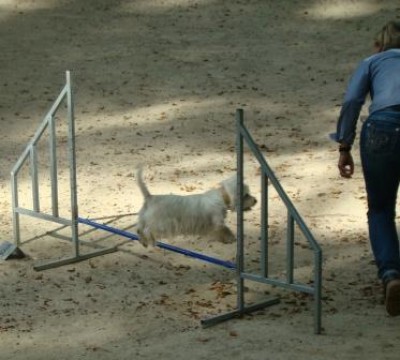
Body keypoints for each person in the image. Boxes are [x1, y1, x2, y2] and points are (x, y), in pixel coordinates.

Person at [333, 20, 400, 316]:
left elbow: (351, 101)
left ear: (380, 44)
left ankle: (391, 275)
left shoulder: (373, 61)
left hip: (381, 128)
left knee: (381, 208)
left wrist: (344, 145)